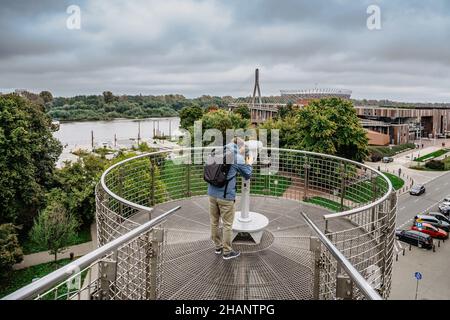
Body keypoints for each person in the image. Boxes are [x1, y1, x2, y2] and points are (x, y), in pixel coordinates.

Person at [207, 138, 253, 260]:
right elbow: (247, 174)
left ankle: (218, 247)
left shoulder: (218, 151)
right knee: (227, 224)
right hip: (226, 197)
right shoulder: (237, 157)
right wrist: (249, 162)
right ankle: (227, 252)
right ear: (240, 146)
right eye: (244, 147)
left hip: (211, 194)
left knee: (214, 221)